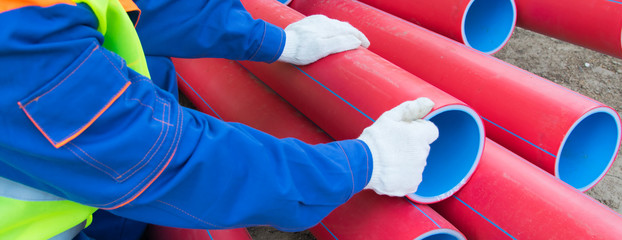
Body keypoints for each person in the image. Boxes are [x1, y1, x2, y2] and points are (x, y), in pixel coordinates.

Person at [0, 0, 439, 239]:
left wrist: (271, 39)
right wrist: (358, 164)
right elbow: (158, 160)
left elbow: (142, 3)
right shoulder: (17, 41)